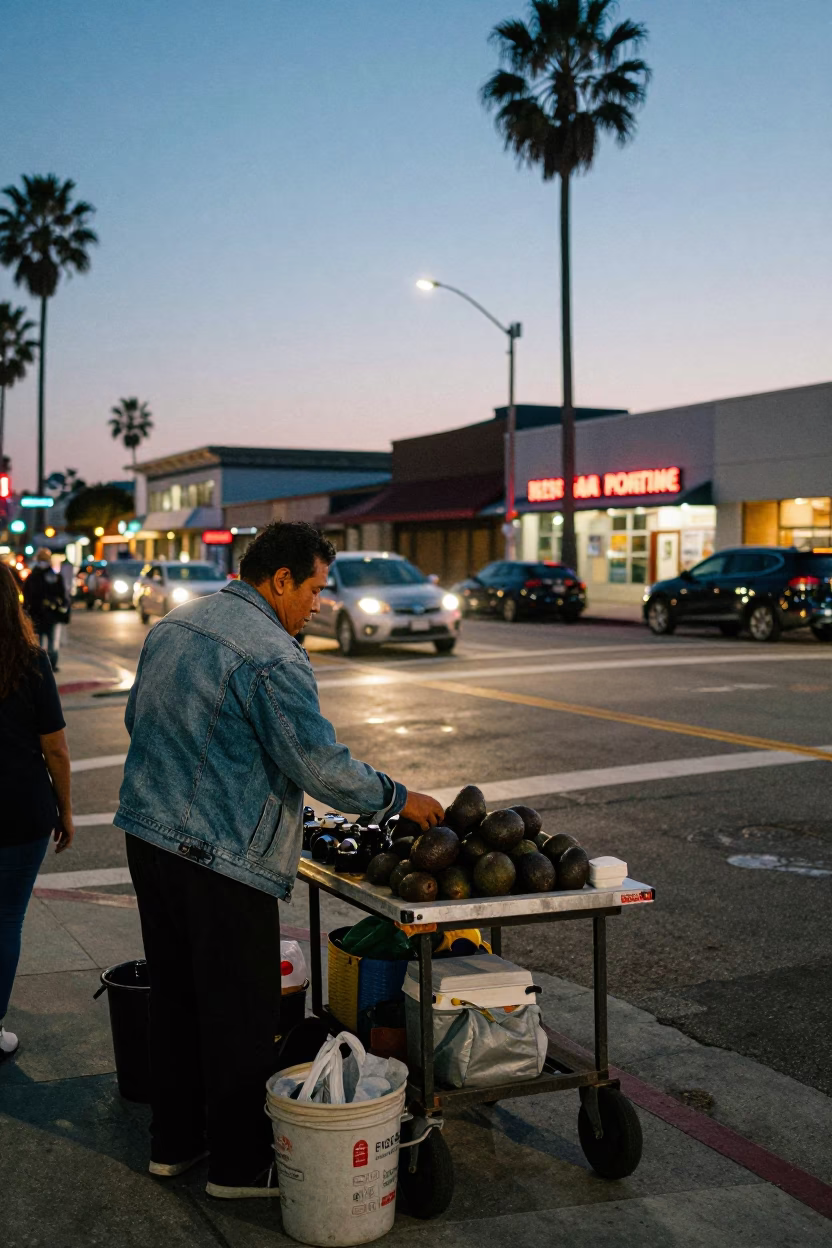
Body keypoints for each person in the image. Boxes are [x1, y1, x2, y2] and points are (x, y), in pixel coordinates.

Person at [115, 521, 444, 1199]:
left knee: (174, 999)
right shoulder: (273, 654)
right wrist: (398, 798)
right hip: (220, 857)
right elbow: (317, 764)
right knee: (239, 1016)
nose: (319, 604)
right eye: (316, 588)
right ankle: (238, 1167)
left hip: (148, 840)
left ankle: (173, 1146)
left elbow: (135, 719)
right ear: (281, 579)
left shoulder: (175, 625)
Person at [0, 564, 75, 1062]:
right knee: (6, 919)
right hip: (20, 809)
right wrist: (65, 811)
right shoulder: (30, 661)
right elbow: (56, 750)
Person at [23, 548, 69, 672]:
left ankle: (44, 666)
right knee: (49, 643)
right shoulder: (49, 576)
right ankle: (49, 666)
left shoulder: (34, 577)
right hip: (47, 615)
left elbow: (28, 597)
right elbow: (62, 596)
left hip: (41, 615)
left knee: (42, 643)